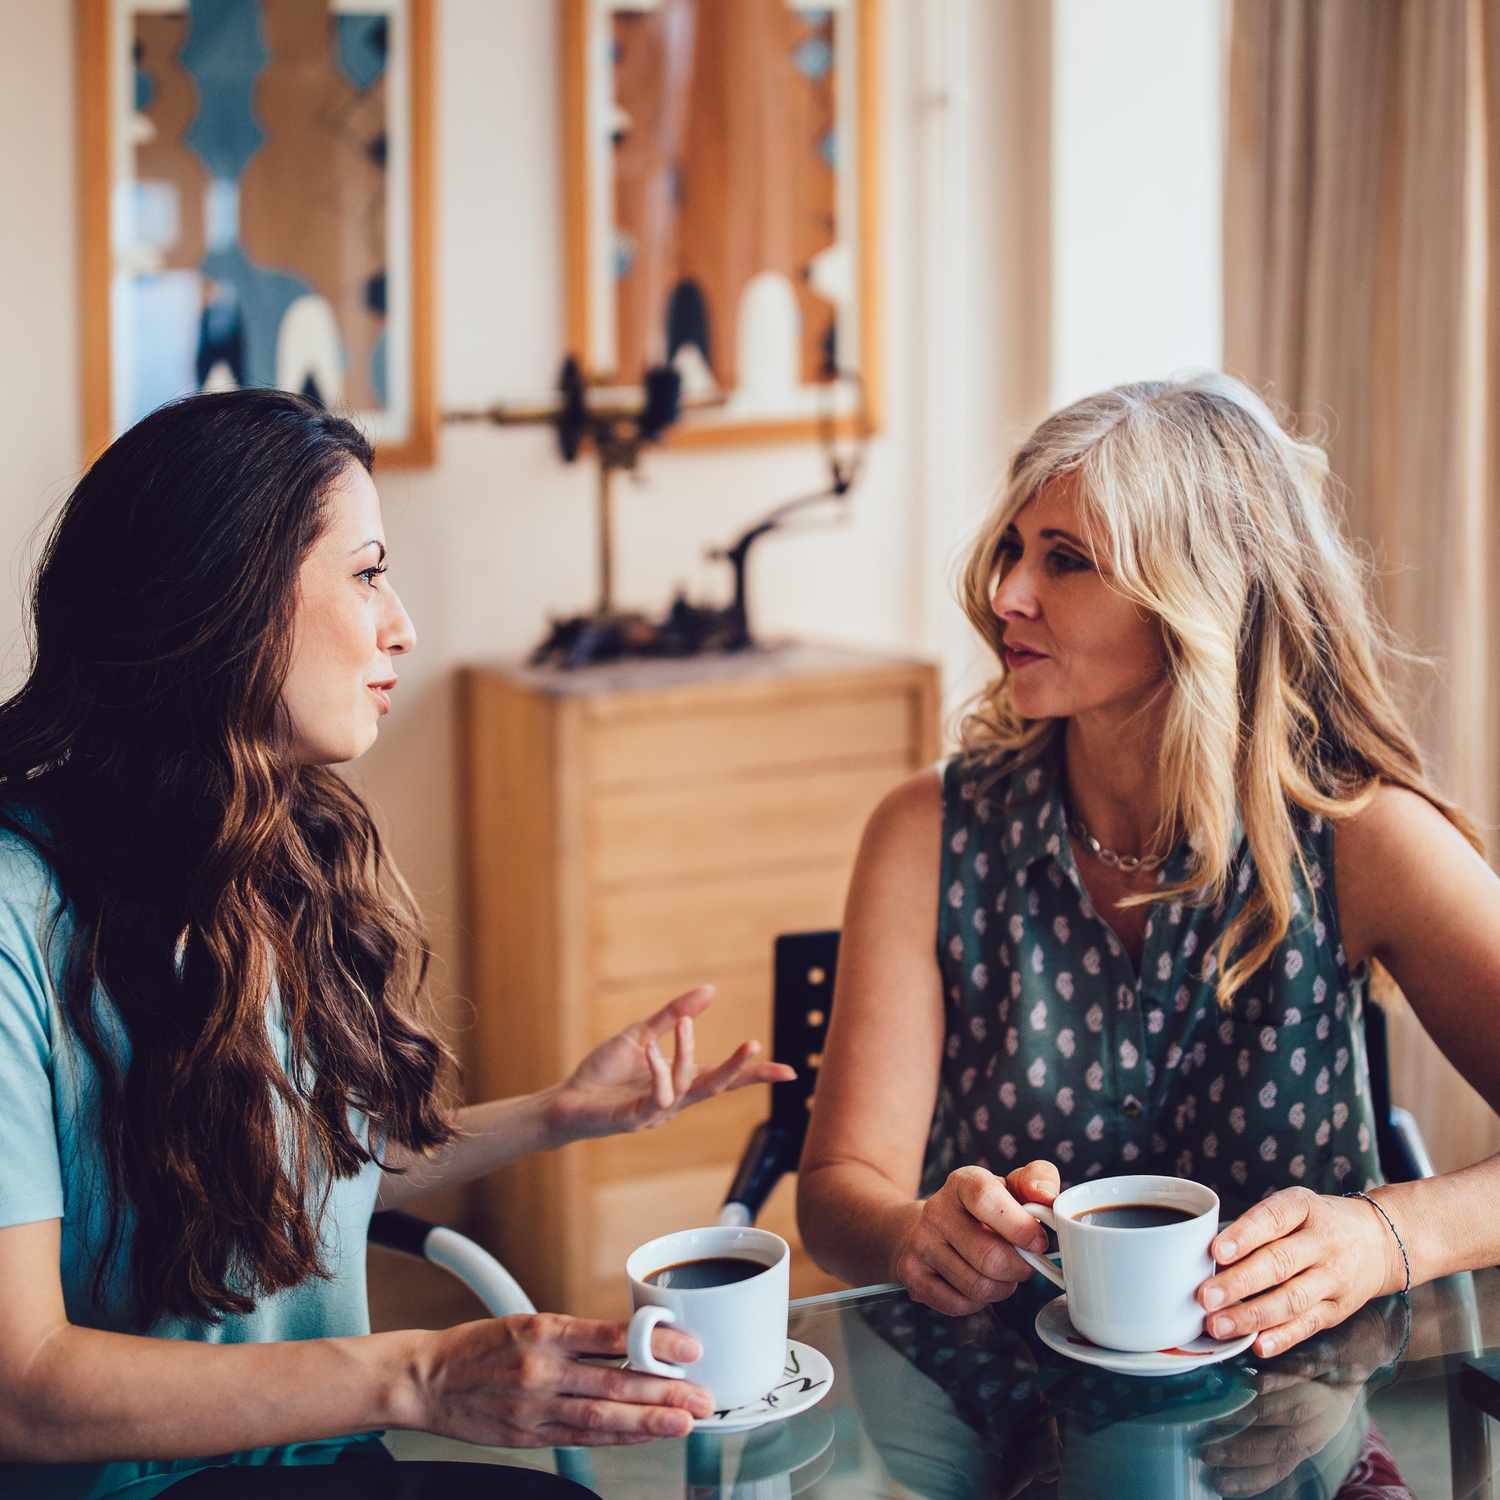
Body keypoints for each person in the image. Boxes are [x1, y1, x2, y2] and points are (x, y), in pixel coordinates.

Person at [0, 390, 793, 1491]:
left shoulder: (271, 841)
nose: (401, 625)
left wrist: (557, 1114)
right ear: (223, 599)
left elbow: (293, 1173)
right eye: (366, 574)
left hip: (321, 1466)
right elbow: (22, 1387)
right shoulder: (13, 915)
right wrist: (416, 1376)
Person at [798, 372, 1500, 1363]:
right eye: (1014, 550)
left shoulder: (1361, 839)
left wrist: (1391, 1236)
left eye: (1066, 560)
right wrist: (911, 1234)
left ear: (1199, 594)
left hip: (1289, 1419)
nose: (1008, 595)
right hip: (984, 1409)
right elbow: (835, 1194)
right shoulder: (927, 832)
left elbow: (1400, 1237)